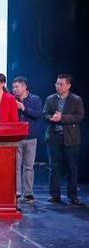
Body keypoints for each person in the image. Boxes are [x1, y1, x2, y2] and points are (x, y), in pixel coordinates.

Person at [43, 74, 84, 205]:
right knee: (54, 168)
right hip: (54, 138)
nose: (58, 86)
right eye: (57, 84)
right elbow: (45, 114)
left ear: (68, 86)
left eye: (61, 84)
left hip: (71, 138)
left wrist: (62, 118)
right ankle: (54, 195)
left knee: (72, 167)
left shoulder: (76, 99)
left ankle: (73, 196)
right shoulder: (50, 99)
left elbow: (79, 116)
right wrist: (51, 118)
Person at [12, 76, 43, 203]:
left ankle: (28, 193)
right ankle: (17, 192)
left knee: (28, 166)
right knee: (16, 166)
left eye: (17, 87)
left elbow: (38, 114)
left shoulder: (35, 99)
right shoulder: (11, 99)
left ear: (24, 87)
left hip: (30, 137)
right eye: (13, 87)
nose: (14, 89)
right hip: (15, 138)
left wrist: (24, 108)